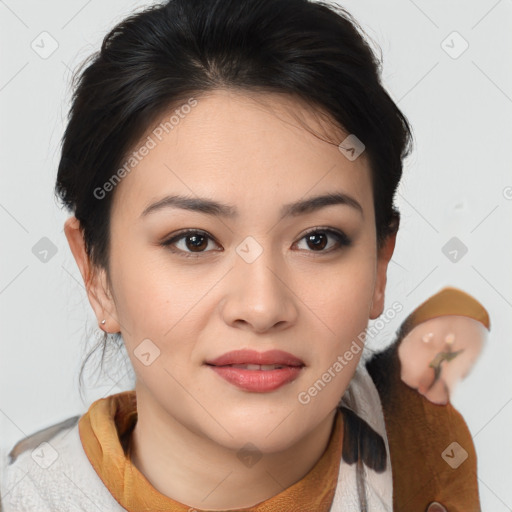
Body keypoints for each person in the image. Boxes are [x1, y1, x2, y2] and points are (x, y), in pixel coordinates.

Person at [0, 0, 489, 510]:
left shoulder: (423, 444)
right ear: (95, 272)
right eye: (194, 240)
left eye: (317, 239)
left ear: (379, 264)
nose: (261, 307)